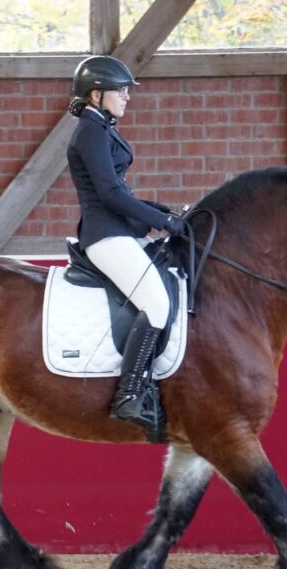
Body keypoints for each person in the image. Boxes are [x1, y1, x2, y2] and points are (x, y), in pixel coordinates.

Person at [66, 55, 184, 442]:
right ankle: (130, 393)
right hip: (106, 236)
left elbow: (121, 193)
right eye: (121, 90)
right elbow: (111, 194)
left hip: (120, 230)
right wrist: (162, 221)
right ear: (96, 94)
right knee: (158, 303)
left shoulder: (102, 127)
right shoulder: (90, 132)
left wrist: (157, 210)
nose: (127, 96)